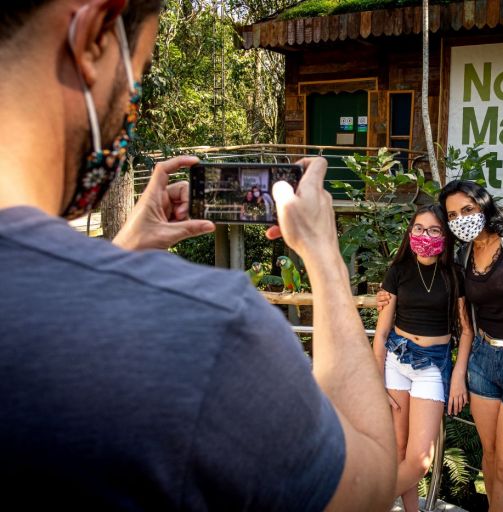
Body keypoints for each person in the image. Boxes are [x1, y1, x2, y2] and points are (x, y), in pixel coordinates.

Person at [0, 1, 396, 510]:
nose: (130, 105)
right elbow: (370, 486)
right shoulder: (212, 333)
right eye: (137, 77)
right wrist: (324, 256)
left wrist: (120, 256)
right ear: (94, 34)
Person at [378, 181, 503, 511]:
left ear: (484, 205)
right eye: (454, 214)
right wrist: (388, 297)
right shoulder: (464, 253)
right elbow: (458, 309)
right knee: (491, 458)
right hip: (484, 360)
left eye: (467, 210)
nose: (461, 219)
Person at [373, 205, 473, 512]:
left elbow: (466, 331)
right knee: (400, 450)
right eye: (418, 228)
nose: (424, 235)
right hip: (396, 359)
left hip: (433, 365)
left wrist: (457, 376)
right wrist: (375, 381)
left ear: (444, 235)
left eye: (433, 230)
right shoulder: (398, 270)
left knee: (419, 461)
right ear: (410, 232)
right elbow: (381, 333)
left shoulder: (454, 275)